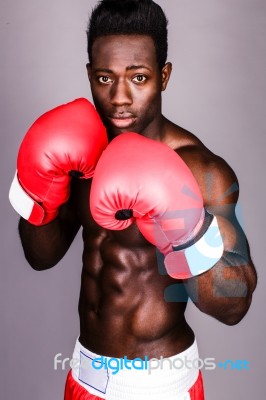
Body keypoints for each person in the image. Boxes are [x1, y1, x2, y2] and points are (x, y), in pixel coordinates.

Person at [9, 0, 257, 399]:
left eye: (138, 78)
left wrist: (185, 227)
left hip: (159, 386)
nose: (120, 98)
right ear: (90, 75)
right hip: (83, 375)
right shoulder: (82, 154)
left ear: (163, 76)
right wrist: (39, 186)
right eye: (105, 79)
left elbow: (235, 305)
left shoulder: (199, 169)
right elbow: (41, 257)